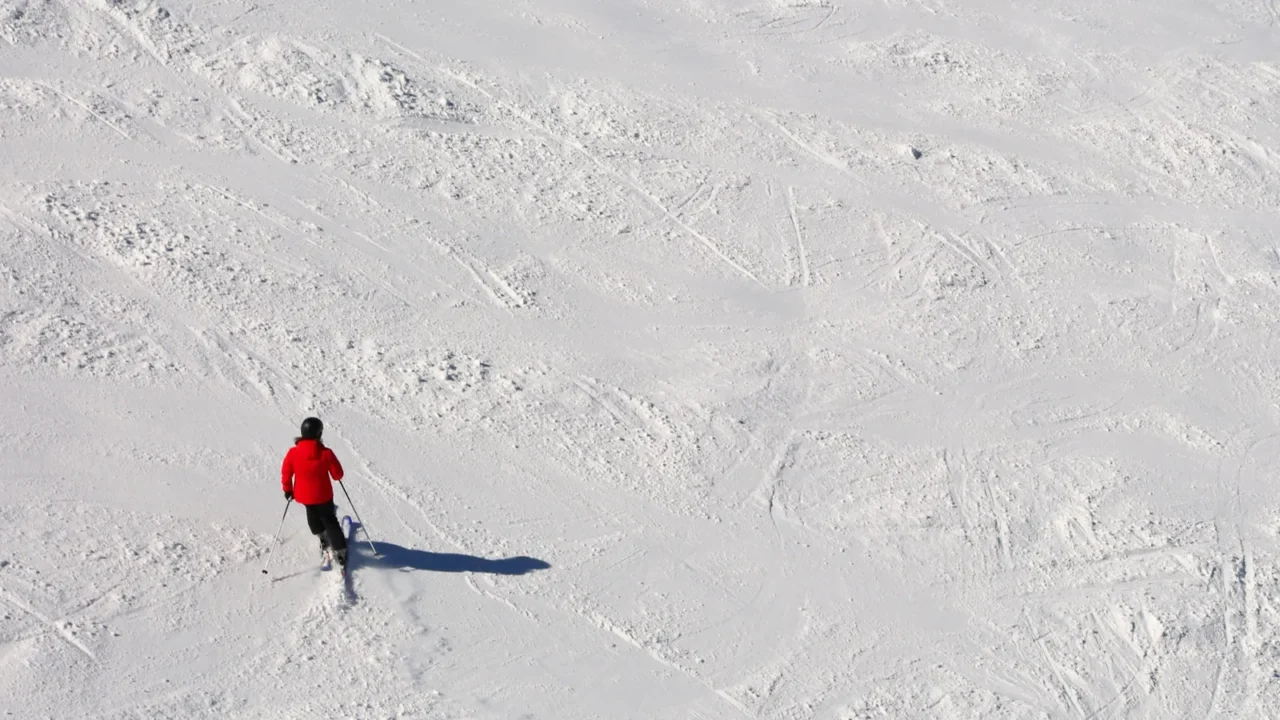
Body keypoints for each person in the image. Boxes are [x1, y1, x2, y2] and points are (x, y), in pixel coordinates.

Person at [280, 417, 348, 569]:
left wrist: (288, 490)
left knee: (312, 515)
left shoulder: (293, 453)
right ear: (319, 433)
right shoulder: (326, 453)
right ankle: (340, 551)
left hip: (304, 496)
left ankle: (321, 536)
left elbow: (286, 473)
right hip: (324, 496)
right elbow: (338, 475)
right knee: (330, 520)